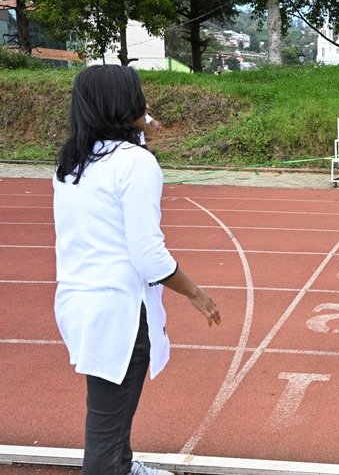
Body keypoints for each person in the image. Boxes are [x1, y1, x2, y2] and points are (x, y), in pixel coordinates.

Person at [53, 65, 221, 475]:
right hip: (120, 313)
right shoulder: (136, 163)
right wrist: (195, 293)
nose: (145, 101)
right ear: (120, 104)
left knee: (111, 411)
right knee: (106, 427)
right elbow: (148, 255)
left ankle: (124, 466)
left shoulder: (72, 162)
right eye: (138, 94)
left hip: (79, 304)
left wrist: (139, 132)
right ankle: (115, 466)